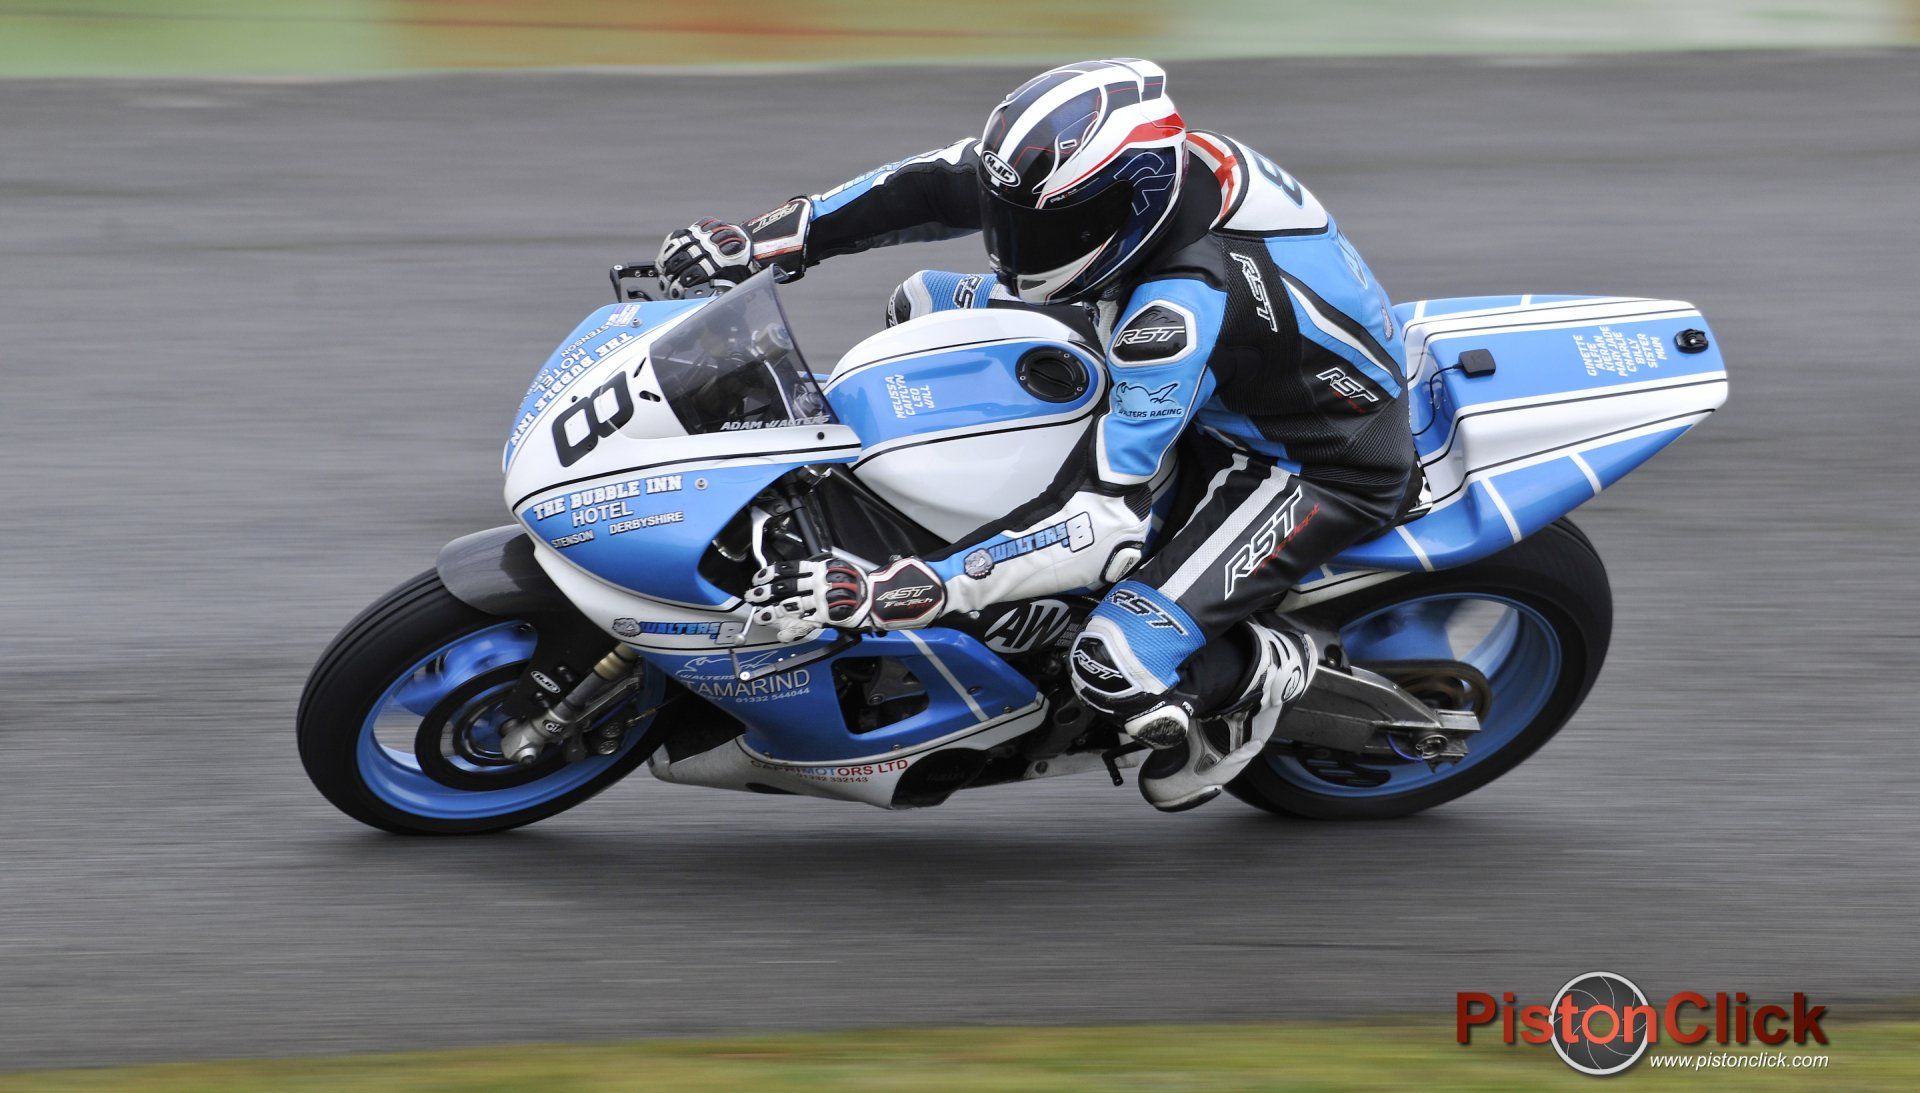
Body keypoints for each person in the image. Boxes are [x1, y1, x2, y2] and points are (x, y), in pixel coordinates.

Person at [655, 58, 1416, 811]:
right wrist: (768, 240)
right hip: (1202, 353)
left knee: (1113, 661)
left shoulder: (1175, 316)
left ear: (1131, 208)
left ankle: (1260, 672)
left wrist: (909, 589)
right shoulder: (1132, 169)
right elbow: (927, 185)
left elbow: (1105, 522)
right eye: (1015, 220)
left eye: (1052, 230)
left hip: (1311, 459)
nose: (1015, 250)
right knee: (925, 299)